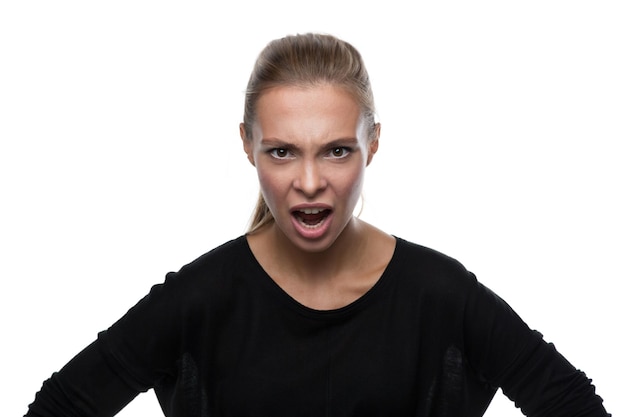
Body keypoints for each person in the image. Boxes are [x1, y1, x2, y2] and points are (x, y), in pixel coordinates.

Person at [25, 33, 610, 417]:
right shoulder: (197, 300)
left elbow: (572, 403)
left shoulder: (441, 295)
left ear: (372, 144)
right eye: (281, 152)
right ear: (247, 145)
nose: (309, 182)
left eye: (335, 151)